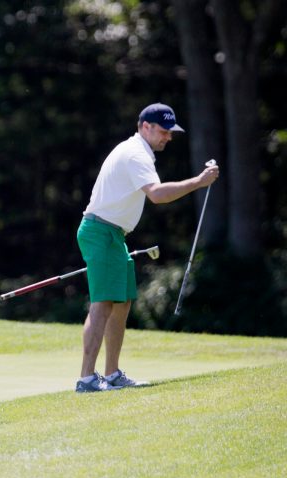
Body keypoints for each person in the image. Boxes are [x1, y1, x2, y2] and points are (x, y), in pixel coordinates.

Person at [75, 103, 219, 393]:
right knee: (102, 303)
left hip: (112, 234)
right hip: (100, 232)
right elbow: (157, 195)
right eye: (164, 131)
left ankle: (112, 373)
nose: (168, 137)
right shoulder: (136, 153)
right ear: (145, 126)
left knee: (122, 302)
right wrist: (199, 182)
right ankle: (87, 379)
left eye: (170, 132)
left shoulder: (139, 152)